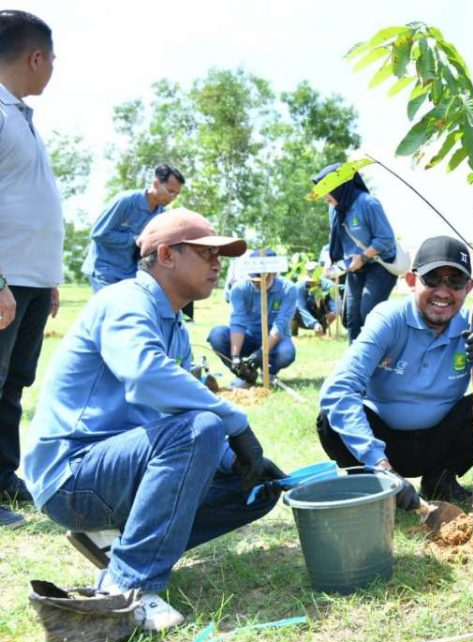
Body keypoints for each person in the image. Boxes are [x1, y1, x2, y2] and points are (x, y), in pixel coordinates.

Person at [23, 209, 287, 631]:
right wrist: (235, 422)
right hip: (71, 475)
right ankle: (128, 586)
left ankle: (118, 546)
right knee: (205, 426)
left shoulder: (174, 326)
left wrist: (233, 462)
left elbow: (174, 415)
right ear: (165, 254)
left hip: (114, 468)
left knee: (254, 490)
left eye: (219, 256)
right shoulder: (125, 299)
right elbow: (147, 378)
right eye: (205, 253)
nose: (218, 264)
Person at [317, 235, 473, 507]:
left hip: (442, 440)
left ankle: (441, 478)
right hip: (382, 440)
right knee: (329, 421)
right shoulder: (388, 319)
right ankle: (377, 481)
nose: (443, 292)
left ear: (469, 287)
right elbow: (338, 390)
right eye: (432, 279)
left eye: (455, 282)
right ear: (412, 281)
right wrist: (380, 463)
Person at [0, 10, 61, 529]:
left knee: (13, 384)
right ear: (36, 57)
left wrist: (50, 277)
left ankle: (4, 478)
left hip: (32, 280)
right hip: (5, 279)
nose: (53, 68)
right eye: (52, 59)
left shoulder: (20, 116)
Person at [313, 163, 398, 342]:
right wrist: (331, 263)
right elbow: (336, 238)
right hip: (354, 267)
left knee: (368, 312)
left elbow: (386, 238)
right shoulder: (334, 208)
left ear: (338, 187)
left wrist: (364, 256)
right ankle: (354, 364)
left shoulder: (367, 203)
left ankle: (378, 360)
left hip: (379, 265)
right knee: (351, 317)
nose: (324, 197)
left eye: (326, 190)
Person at [81, 163, 185, 292]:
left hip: (130, 273)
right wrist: (135, 239)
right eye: (170, 191)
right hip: (105, 269)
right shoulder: (126, 201)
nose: (172, 198)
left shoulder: (161, 214)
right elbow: (98, 234)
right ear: (156, 183)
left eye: (176, 194)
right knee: (112, 310)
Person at [208, 248, 297, 387]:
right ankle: (245, 374)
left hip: (276, 338)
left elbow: (281, 324)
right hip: (248, 336)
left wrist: (262, 352)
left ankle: (269, 371)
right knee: (217, 335)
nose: (256, 283)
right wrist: (235, 356)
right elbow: (238, 321)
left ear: (273, 273)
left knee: (286, 352)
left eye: (260, 279)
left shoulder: (288, 289)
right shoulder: (239, 288)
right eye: (253, 279)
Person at [294, 261, 339, 336]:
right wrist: (314, 323)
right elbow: (300, 307)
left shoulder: (329, 285)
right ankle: (293, 330)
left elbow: (334, 304)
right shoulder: (299, 287)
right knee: (293, 308)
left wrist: (333, 313)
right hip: (303, 318)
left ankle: (322, 329)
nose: (311, 284)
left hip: (322, 315)